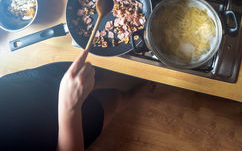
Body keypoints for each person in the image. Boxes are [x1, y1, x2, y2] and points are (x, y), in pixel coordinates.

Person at [0, 50, 153, 151]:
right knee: (115, 99)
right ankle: (134, 94)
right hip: (62, 131)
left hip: (30, 85)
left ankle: (98, 79)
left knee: (90, 76)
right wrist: (70, 108)